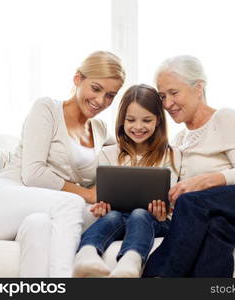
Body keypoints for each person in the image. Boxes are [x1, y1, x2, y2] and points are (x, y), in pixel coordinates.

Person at [142, 55, 235, 277]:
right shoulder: (179, 141)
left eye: (174, 93)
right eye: (162, 96)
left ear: (198, 88)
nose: (167, 104)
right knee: (215, 231)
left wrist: (202, 182)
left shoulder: (224, 118)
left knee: (192, 202)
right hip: (230, 216)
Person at [0, 51, 125, 277]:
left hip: (38, 213)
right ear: (78, 79)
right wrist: (88, 194)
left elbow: (133, 146)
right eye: (96, 88)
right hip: (4, 201)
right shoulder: (47, 109)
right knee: (73, 204)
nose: (100, 101)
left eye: (110, 95)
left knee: (40, 226)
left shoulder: (100, 129)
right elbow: (34, 174)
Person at [73, 84, 181, 278]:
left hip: (156, 221)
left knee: (139, 214)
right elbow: (103, 194)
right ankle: (86, 254)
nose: (138, 127)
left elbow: (173, 196)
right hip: (118, 218)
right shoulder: (108, 154)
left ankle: (131, 261)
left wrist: (163, 209)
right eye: (131, 120)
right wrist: (101, 206)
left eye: (146, 120)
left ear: (158, 121)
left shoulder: (172, 154)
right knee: (112, 215)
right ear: (122, 120)